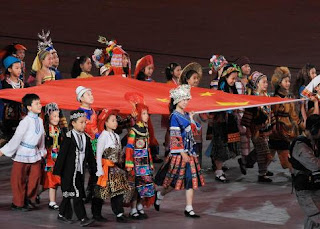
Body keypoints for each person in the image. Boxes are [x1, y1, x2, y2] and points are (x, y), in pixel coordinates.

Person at [154, 84, 204, 217]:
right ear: (177, 100)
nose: (186, 102)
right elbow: (175, 137)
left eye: (187, 99)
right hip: (180, 153)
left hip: (190, 153)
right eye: (184, 99)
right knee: (174, 181)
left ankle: (189, 208)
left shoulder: (187, 115)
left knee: (190, 180)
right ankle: (160, 194)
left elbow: (196, 130)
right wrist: (182, 153)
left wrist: (192, 119)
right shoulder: (174, 116)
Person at [0, 94, 45, 211]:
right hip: (22, 153)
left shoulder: (40, 121)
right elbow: (17, 138)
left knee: (35, 178)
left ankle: (29, 199)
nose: (40, 105)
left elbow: (42, 138)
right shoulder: (25, 121)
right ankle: (18, 203)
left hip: (34, 153)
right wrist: (3, 151)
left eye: (40, 103)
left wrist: (42, 151)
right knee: (18, 179)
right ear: (29, 107)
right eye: (37, 103)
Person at [53, 110, 96, 227]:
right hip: (69, 172)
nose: (83, 125)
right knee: (76, 194)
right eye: (81, 122)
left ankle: (62, 214)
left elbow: (90, 156)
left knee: (69, 195)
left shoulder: (86, 138)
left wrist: (94, 169)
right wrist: (57, 171)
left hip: (79, 171)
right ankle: (83, 218)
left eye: (84, 122)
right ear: (73, 123)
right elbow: (62, 156)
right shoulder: (68, 138)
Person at [94, 109, 129, 223]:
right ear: (106, 122)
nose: (115, 123)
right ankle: (96, 213)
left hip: (115, 169)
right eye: (112, 120)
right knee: (101, 192)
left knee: (118, 191)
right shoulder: (103, 136)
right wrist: (99, 169)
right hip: (105, 168)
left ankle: (119, 213)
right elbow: (98, 154)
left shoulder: (116, 136)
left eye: (116, 121)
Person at [241, 71, 276, 182]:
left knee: (259, 151)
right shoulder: (253, 99)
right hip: (256, 131)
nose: (266, 84)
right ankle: (262, 174)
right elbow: (248, 115)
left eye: (267, 82)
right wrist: (247, 129)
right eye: (264, 82)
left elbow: (270, 112)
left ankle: (249, 163)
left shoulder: (266, 96)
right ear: (257, 84)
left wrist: (273, 124)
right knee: (265, 153)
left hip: (266, 130)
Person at [269, 67, 303, 174]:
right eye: (286, 81)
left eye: (289, 81)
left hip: (286, 131)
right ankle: (295, 174)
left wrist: (300, 125)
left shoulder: (289, 97)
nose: (288, 83)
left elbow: (293, 116)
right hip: (278, 131)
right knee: (279, 156)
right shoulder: (275, 99)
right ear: (279, 83)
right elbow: (273, 115)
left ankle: (254, 165)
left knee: (270, 154)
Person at [125, 103, 155, 220]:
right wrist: (129, 164)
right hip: (136, 164)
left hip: (145, 163)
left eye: (147, 113)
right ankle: (133, 209)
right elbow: (129, 148)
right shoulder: (133, 130)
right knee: (135, 186)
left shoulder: (146, 129)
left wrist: (150, 162)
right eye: (143, 113)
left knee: (144, 185)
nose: (146, 115)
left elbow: (147, 148)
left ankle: (139, 205)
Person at [290, 114, 320, 229]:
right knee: (316, 219)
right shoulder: (300, 146)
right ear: (314, 129)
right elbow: (315, 165)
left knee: (312, 220)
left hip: (314, 186)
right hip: (305, 190)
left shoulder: (312, 141)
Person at [42, 103, 64, 210]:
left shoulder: (59, 129)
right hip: (50, 159)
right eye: (54, 116)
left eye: (58, 116)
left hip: (58, 157)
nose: (57, 118)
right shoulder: (45, 130)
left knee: (55, 180)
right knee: (52, 181)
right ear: (48, 115)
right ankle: (52, 202)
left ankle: (37, 194)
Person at [1, 56, 24, 139]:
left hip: (20, 115)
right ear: (10, 69)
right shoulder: (5, 84)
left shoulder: (22, 83)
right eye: (16, 68)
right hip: (9, 116)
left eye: (20, 68)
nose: (19, 70)